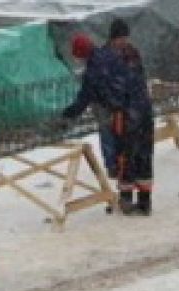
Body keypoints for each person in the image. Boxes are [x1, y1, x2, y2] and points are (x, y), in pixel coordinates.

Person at [62, 22, 155, 215]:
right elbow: (134, 79)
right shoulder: (117, 57)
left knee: (126, 156)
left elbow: (85, 97)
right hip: (143, 109)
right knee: (143, 154)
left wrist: (68, 114)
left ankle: (127, 201)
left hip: (127, 113)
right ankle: (145, 202)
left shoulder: (96, 68)